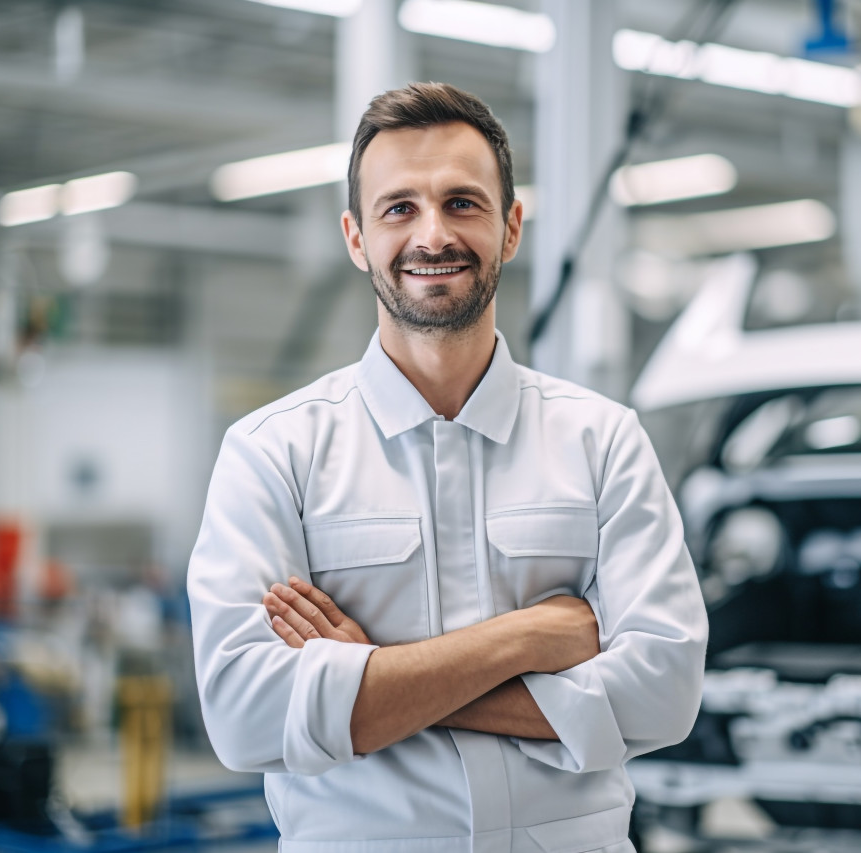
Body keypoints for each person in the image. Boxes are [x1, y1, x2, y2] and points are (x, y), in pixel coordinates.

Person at [187, 82, 707, 853]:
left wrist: (371, 674)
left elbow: (663, 693)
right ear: (356, 237)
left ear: (511, 228)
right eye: (399, 207)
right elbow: (246, 714)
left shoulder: (604, 440)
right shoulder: (274, 451)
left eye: (462, 202)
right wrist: (531, 637)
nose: (433, 235)